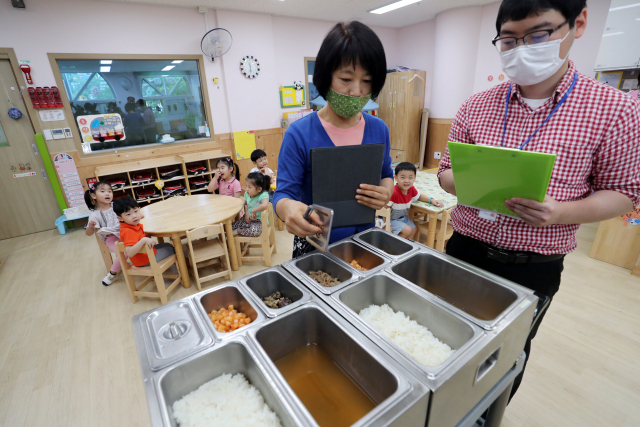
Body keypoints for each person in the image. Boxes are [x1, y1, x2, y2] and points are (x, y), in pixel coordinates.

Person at [437, 0, 640, 401]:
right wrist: (467, 183)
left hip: (532, 267)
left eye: (539, 34)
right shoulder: (477, 105)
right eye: (509, 39)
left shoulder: (616, 109)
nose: (523, 48)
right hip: (464, 251)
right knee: (447, 340)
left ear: (577, 24)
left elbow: (624, 193)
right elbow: (444, 172)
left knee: (507, 354)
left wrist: (561, 212)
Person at [274, 21, 394, 257]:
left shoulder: (379, 129)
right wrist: (288, 209)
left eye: (367, 81)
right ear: (326, 77)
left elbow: (386, 175)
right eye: (346, 79)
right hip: (315, 247)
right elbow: (282, 195)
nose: (357, 91)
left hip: (365, 243)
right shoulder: (299, 134)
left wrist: (386, 191)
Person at [113, 196, 175, 267]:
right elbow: (129, 253)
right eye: (128, 214)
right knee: (171, 249)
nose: (134, 216)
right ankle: (170, 275)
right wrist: (143, 240)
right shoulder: (128, 231)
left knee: (168, 245)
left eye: (136, 211)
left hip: (143, 256)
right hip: (144, 260)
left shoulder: (131, 224)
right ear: (120, 218)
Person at [387, 162, 444, 239]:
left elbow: (419, 196)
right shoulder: (394, 192)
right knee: (408, 230)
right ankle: (391, 245)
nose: (407, 181)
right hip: (391, 219)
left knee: (414, 230)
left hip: (402, 217)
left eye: (410, 177)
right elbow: (385, 208)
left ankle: (406, 248)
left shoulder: (411, 189)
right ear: (396, 178)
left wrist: (431, 200)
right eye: (403, 177)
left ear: (414, 178)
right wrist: (386, 224)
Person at [84, 181, 123, 286]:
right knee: (123, 253)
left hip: (125, 232)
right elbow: (88, 233)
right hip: (111, 238)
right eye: (103, 191)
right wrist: (91, 227)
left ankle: (139, 262)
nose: (107, 193)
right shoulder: (94, 214)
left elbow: (130, 212)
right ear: (93, 195)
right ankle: (112, 273)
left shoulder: (117, 205)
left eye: (110, 191)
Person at [233, 172, 270, 237]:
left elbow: (265, 205)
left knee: (254, 231)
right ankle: (244, 233)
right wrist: (247, 213)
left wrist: (253, 210)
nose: (246, 189)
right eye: (246, 185)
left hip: (260, 221)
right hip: (248, 218)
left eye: (249, 187)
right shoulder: (247, 194)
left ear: (259, 189)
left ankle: (239, 231)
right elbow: (246, 204)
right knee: (230, 227)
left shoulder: (263, 194)